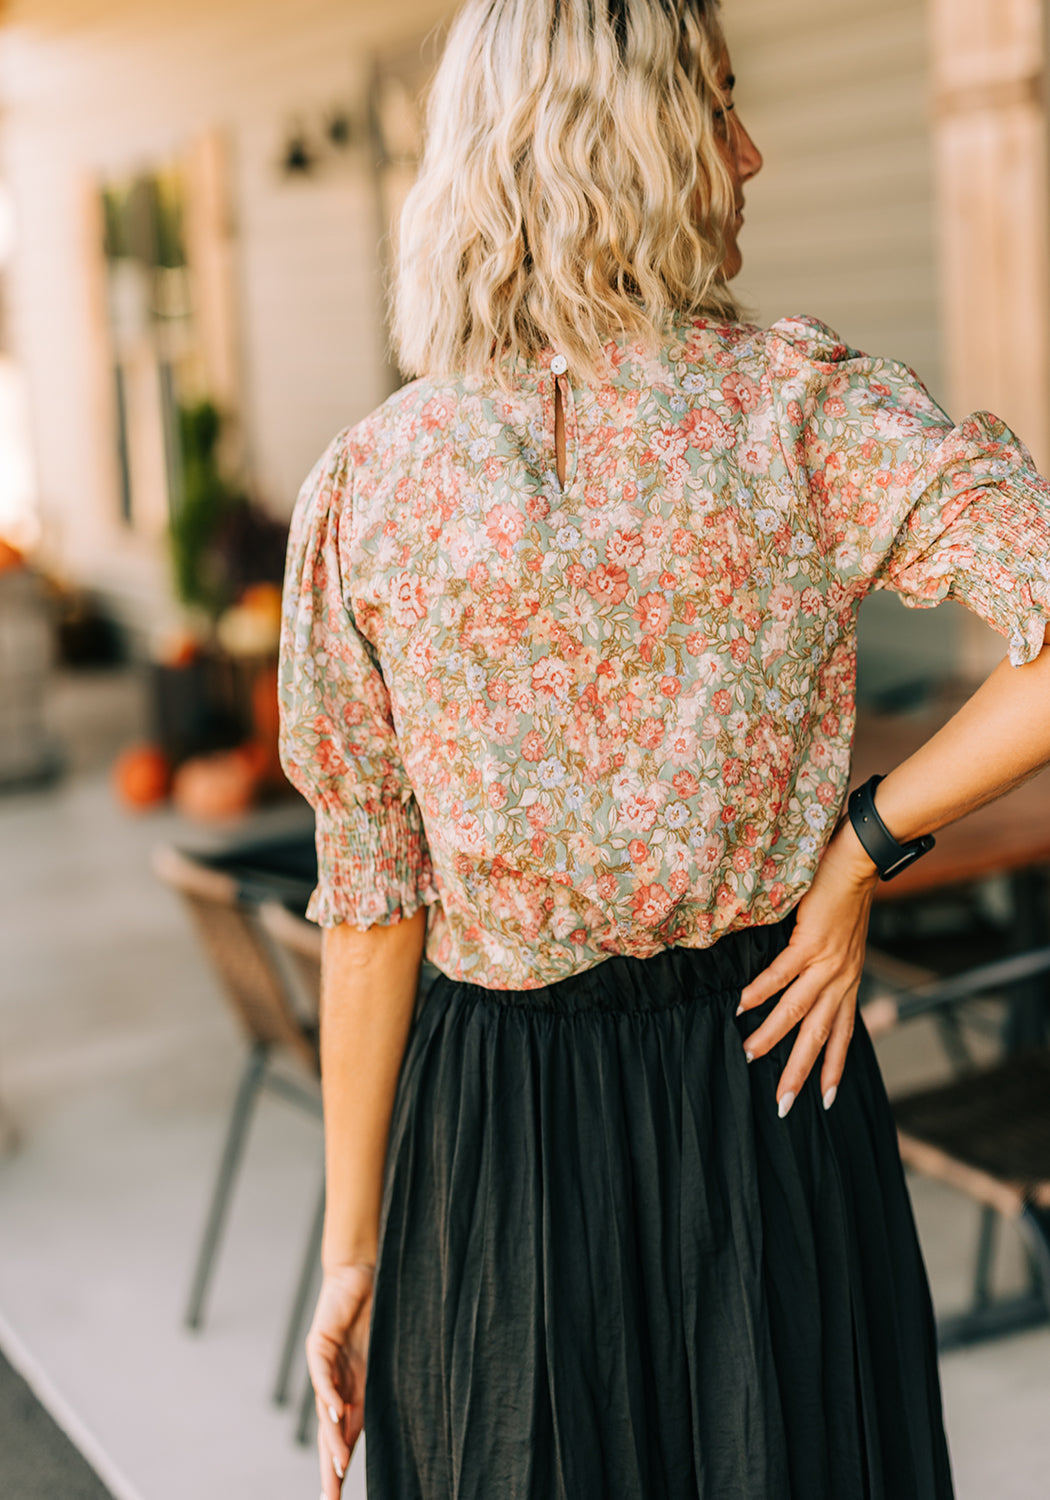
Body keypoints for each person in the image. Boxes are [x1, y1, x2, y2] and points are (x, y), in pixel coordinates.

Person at [277, 2, 1050, 1496]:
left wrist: (353, 1250)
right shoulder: (801, 416)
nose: (748, 154)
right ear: (621, 149)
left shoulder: (370, 490)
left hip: (490, 1150)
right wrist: (859, 851)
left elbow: (371, 907)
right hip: (765, 1090)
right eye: (714, 108)